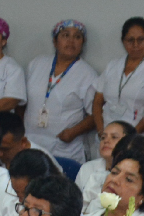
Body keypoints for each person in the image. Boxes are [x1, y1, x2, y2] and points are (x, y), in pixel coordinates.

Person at [23, 20, 99, 163]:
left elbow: (95, 114)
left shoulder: (87, 74)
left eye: (77, 37)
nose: (71, 41)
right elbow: (21, 101)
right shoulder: (36, 64)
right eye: (65, 35)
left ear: (83, 43)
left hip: (65, 148)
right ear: (55, 41)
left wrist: (72, 132)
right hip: (31, 142)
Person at [93, 17, 144, 144]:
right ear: (123, 41)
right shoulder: (113, 65)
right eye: (130, 40)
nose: (135, 45)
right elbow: (97, 102)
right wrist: (101, 132)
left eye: (141, 39)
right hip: (107, 138)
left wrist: (128, 138)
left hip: (136, 139)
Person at [75, 120, 135, 207]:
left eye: (114, 137)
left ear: (129, 142)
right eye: (103, 137)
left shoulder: (135, 172)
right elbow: (76, 204)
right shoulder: (87, 168)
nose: (106, 141)